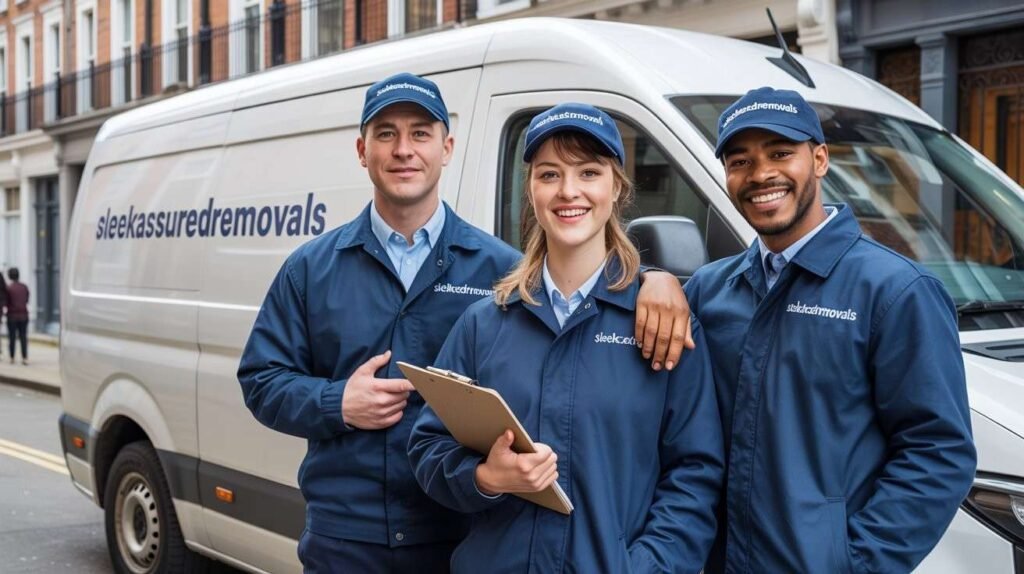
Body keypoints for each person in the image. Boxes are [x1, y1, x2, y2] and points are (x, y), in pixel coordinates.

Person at [237, 75, 691, 572]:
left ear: (446, 147)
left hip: (457, 536)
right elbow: (261, 380)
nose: (404, 150)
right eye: (386, 134)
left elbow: (577, 274)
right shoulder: (312, 267)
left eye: (420, 134)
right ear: (362, 150)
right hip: (347, 537)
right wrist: (337, 402)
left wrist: (652, 278)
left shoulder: (499, 274)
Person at [409, 103, 724, 573]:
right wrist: (486, 477)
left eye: (589, 172)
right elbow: (428, 447)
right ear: (531, 190)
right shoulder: (485, 322)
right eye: (549, 175)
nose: (568, 191)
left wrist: (647, 568)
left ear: (616, 187)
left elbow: (695, 475)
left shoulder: (661, 323)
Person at [683, 87, 977, 573]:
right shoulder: (708, 291)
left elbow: (937, 453)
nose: (760, 175)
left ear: (819, 159)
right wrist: (653, 280)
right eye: (740, 161)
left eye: (780, 153)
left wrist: (854, 564)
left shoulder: (896, 291)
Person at [5, 268, 29, 365]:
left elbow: (6, 302)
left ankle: (12, 357)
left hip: (12, 316)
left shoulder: (9, 288)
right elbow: (27, 299)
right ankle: (24, 357)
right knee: (23, 337)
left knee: (12, 337)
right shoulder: (24, 287)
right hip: (24, 315)